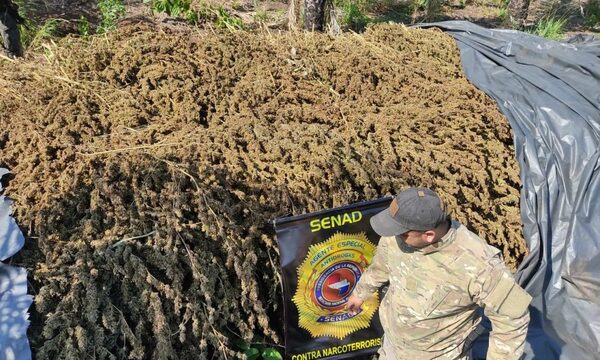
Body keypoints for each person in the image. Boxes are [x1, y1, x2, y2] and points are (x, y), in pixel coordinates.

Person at [346, 187, 531, 359]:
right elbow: (381, 267)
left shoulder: (479, 265)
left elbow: (513, 317)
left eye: (402, 234)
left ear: (428, 235)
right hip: (393, 348)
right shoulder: (398, 235)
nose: (394, 236)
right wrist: (360, 293)